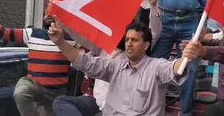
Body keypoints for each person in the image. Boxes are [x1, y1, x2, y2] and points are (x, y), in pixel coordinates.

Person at [47, 14, 204, 116]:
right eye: (127, 40)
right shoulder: (115, 66)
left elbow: (173, 70)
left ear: (146, 45)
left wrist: (186, 58)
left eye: (134, 40)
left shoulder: (156, 67)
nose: (129, 44)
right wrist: (60, 42)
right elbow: (85, 62)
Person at [52, 0, 162, 116]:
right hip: (96, 103)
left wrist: (153, 6)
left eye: (132, 38)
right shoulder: (104, 47)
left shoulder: (137, 54)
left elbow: (155, 32)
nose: (129, 42)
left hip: (118, 109)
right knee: (60, 102)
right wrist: (64, 23)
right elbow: (82, 37)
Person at [0, 5, 77, 116]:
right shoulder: (32, 33)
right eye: (47, 11)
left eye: (53, 11)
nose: (48, 14)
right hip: (33, 85)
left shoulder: (72, 40)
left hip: (56, 93)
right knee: (21, 92)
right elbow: (4, 32)